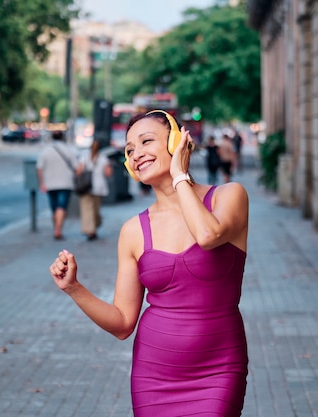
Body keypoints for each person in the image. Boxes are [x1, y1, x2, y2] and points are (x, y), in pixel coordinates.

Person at [49, 110, 250, 416]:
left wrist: (179, 175)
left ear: (176, 142)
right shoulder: (133, 231)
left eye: (146, 142)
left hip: (218, 369)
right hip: (154, 375)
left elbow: (208, 235)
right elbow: (122, 324)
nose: (137, 154)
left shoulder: (229, 196)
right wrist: (74, 288)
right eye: (130, 150)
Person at [36, 130, 81, 240]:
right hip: (66, 183)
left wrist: (42, 183)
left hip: (50, 184)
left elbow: (39, 168)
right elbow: (78, 169)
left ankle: (55, 228)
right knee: (62, 207)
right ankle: (58, 230)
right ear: (63, 138)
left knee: (54, 208)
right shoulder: (69, 150)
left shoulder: (45, 151)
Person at [78, 139, 113, 241]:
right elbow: (108, 173)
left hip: (86, 186)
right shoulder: (103, 159)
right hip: (99, 187)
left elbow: (79, 171)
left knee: (87, 210)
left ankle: (91, 230)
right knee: (95, 209)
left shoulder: (84, 157)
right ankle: (92, 229)